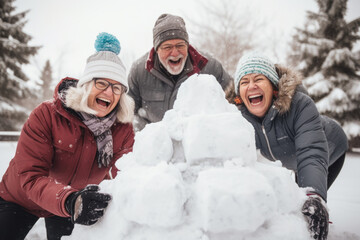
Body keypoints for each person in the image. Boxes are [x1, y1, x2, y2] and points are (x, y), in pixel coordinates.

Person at [0, 32, 135, 239]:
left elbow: (124, 178)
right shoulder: (47, 114)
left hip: (73, 204)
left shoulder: (122, 130)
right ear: (86, 85)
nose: (109, 92)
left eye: (117, 87)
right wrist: (70, 200)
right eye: (101, 84)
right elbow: (31, 175)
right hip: (22, 198)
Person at [233, 52, 348, 240]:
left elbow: (311, 151)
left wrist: (314, 195)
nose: (251, 85)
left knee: (307, 206)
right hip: (294, 159)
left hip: (330, 148)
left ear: (273, 85)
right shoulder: (240, 118)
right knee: (295, 203)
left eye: (258, 79)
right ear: (239, 93)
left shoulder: (299, 105)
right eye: (244, 82)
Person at [128, 13, 233, 130]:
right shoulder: (139, 71)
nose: (175, 53)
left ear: (187, 45)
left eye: (180, 45)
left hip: (198, 143)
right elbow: (128, 114)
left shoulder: (209, 67)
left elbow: (235, 102)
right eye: (167, 47)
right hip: (156, 145)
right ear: (157, 49)